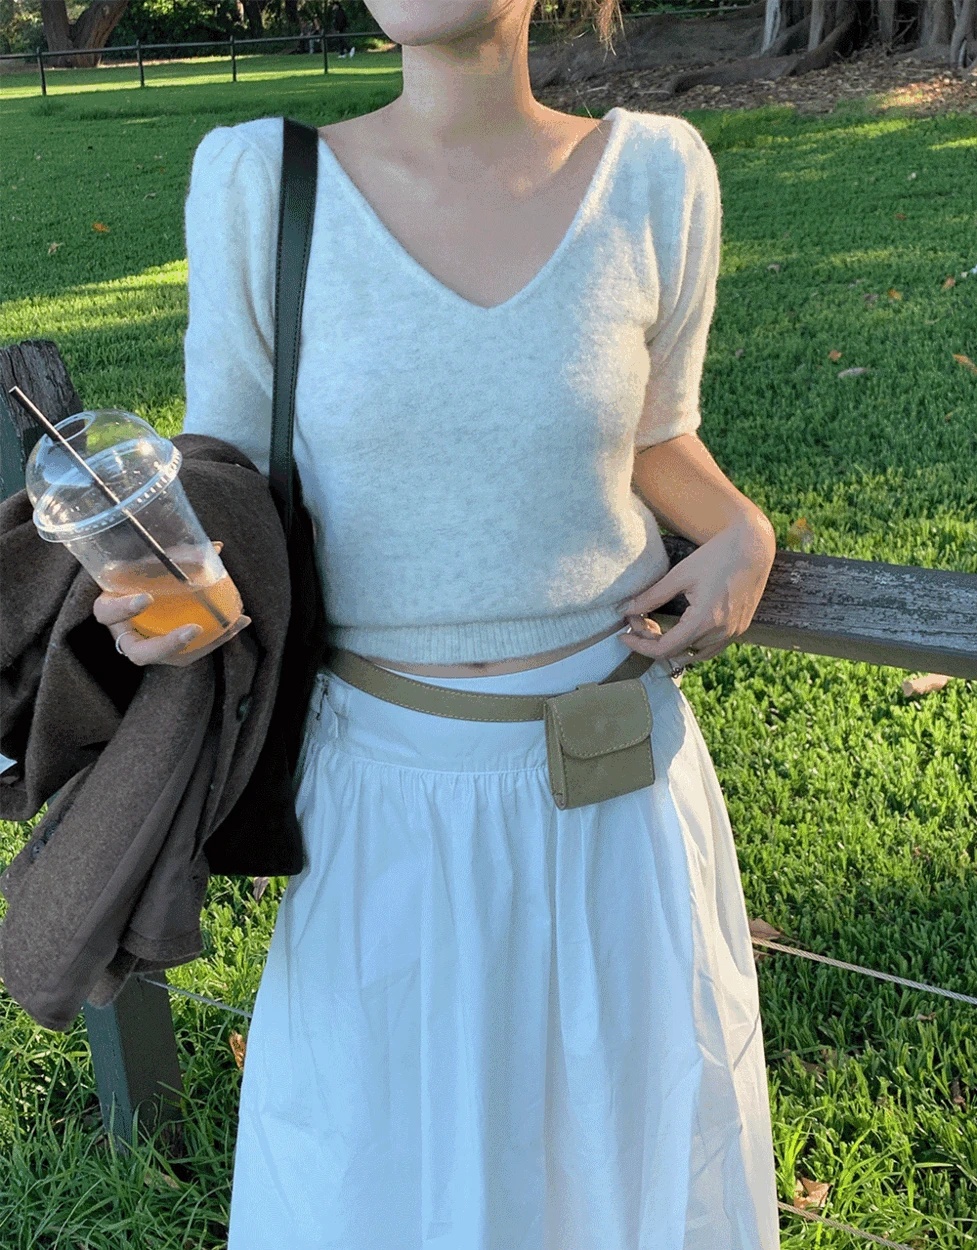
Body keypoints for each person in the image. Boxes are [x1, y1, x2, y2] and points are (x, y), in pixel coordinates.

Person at [100, 1, 782, 1245]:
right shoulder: (262, 184)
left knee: (624, 1167)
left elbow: (652, 434)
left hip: (619, 793)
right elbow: (223, 491)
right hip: (381, 800)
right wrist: (172, 605)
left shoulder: (658, 175)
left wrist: (740, 528)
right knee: (378, 1182)